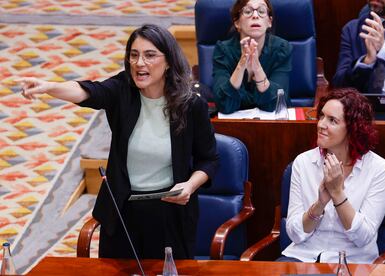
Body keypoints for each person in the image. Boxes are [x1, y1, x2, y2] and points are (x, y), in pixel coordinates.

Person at [18, 24, 219, 259]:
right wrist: (49, 87)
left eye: (150, 55)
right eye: (134, 55)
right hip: (122, 210)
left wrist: (191, 185)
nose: (139, 63)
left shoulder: (191, 106)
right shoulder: (123, 90)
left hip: (169, 212)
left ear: (168, 62)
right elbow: (87, 91)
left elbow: (209, 159)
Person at [280, 88, 385, 263]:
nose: (321, 124)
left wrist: (338, 194)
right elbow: (295, 233)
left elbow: (363, 238)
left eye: (332, 120)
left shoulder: (378, 168)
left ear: (353, 128)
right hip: (303, 258)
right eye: (322, 116)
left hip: (352, 262)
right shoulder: (303, 162)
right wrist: (320, 204)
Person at [212, 0, 292, 114]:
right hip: (233, 126)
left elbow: (277, 102)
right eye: (248, 11)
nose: (255, 16)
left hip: (275, 125)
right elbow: (223, 104)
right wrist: (241, 64)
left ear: (269, 22)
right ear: (237, 23)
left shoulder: (282, 49)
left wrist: (257, 69)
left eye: (261, 11)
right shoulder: (223, 51)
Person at [332, 0, 385, 108]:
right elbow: (339, 87)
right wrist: (365, 63)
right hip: (367, 115)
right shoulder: (352, 30)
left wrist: (384, 49)